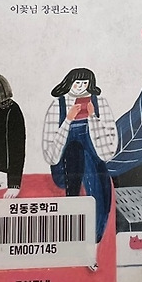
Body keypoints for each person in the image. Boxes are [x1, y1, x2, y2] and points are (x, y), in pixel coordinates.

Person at [41, 67, 118, 244]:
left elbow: (109, 148)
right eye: (77, 83)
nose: (81, 87)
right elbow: (50, 153)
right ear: (69, 83)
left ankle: (95, 232)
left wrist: (93, 117)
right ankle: (80, 227)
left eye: (85, 83)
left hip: (95, 159)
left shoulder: (100, 103)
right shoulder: (58, 106)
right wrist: (68, 119)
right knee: (76, 150)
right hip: (65, 166)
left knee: (99, 178)